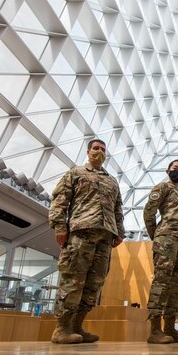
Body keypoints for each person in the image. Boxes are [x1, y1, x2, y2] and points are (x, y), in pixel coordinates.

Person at [49, 138, 124, 344]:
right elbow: (60, 200)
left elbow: (118, 208)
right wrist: (59, 226)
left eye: (102, 149)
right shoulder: (75, 173)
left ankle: (77, 326)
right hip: (81, 232)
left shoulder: (111, 181)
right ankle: (61, 328)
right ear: (88, 151)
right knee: (73, 280)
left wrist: (119, 232)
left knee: (94, 284)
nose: (99, 152)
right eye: (95, 148)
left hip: (105, 236)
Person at [143, 159, 178, 344]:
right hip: (166, 240)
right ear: (168, 170)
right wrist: (156, 235)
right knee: (161, 281)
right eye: (175, 168)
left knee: (177, 285)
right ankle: (155, 330)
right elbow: (149, 212)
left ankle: (170, 328)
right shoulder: (162, 187)